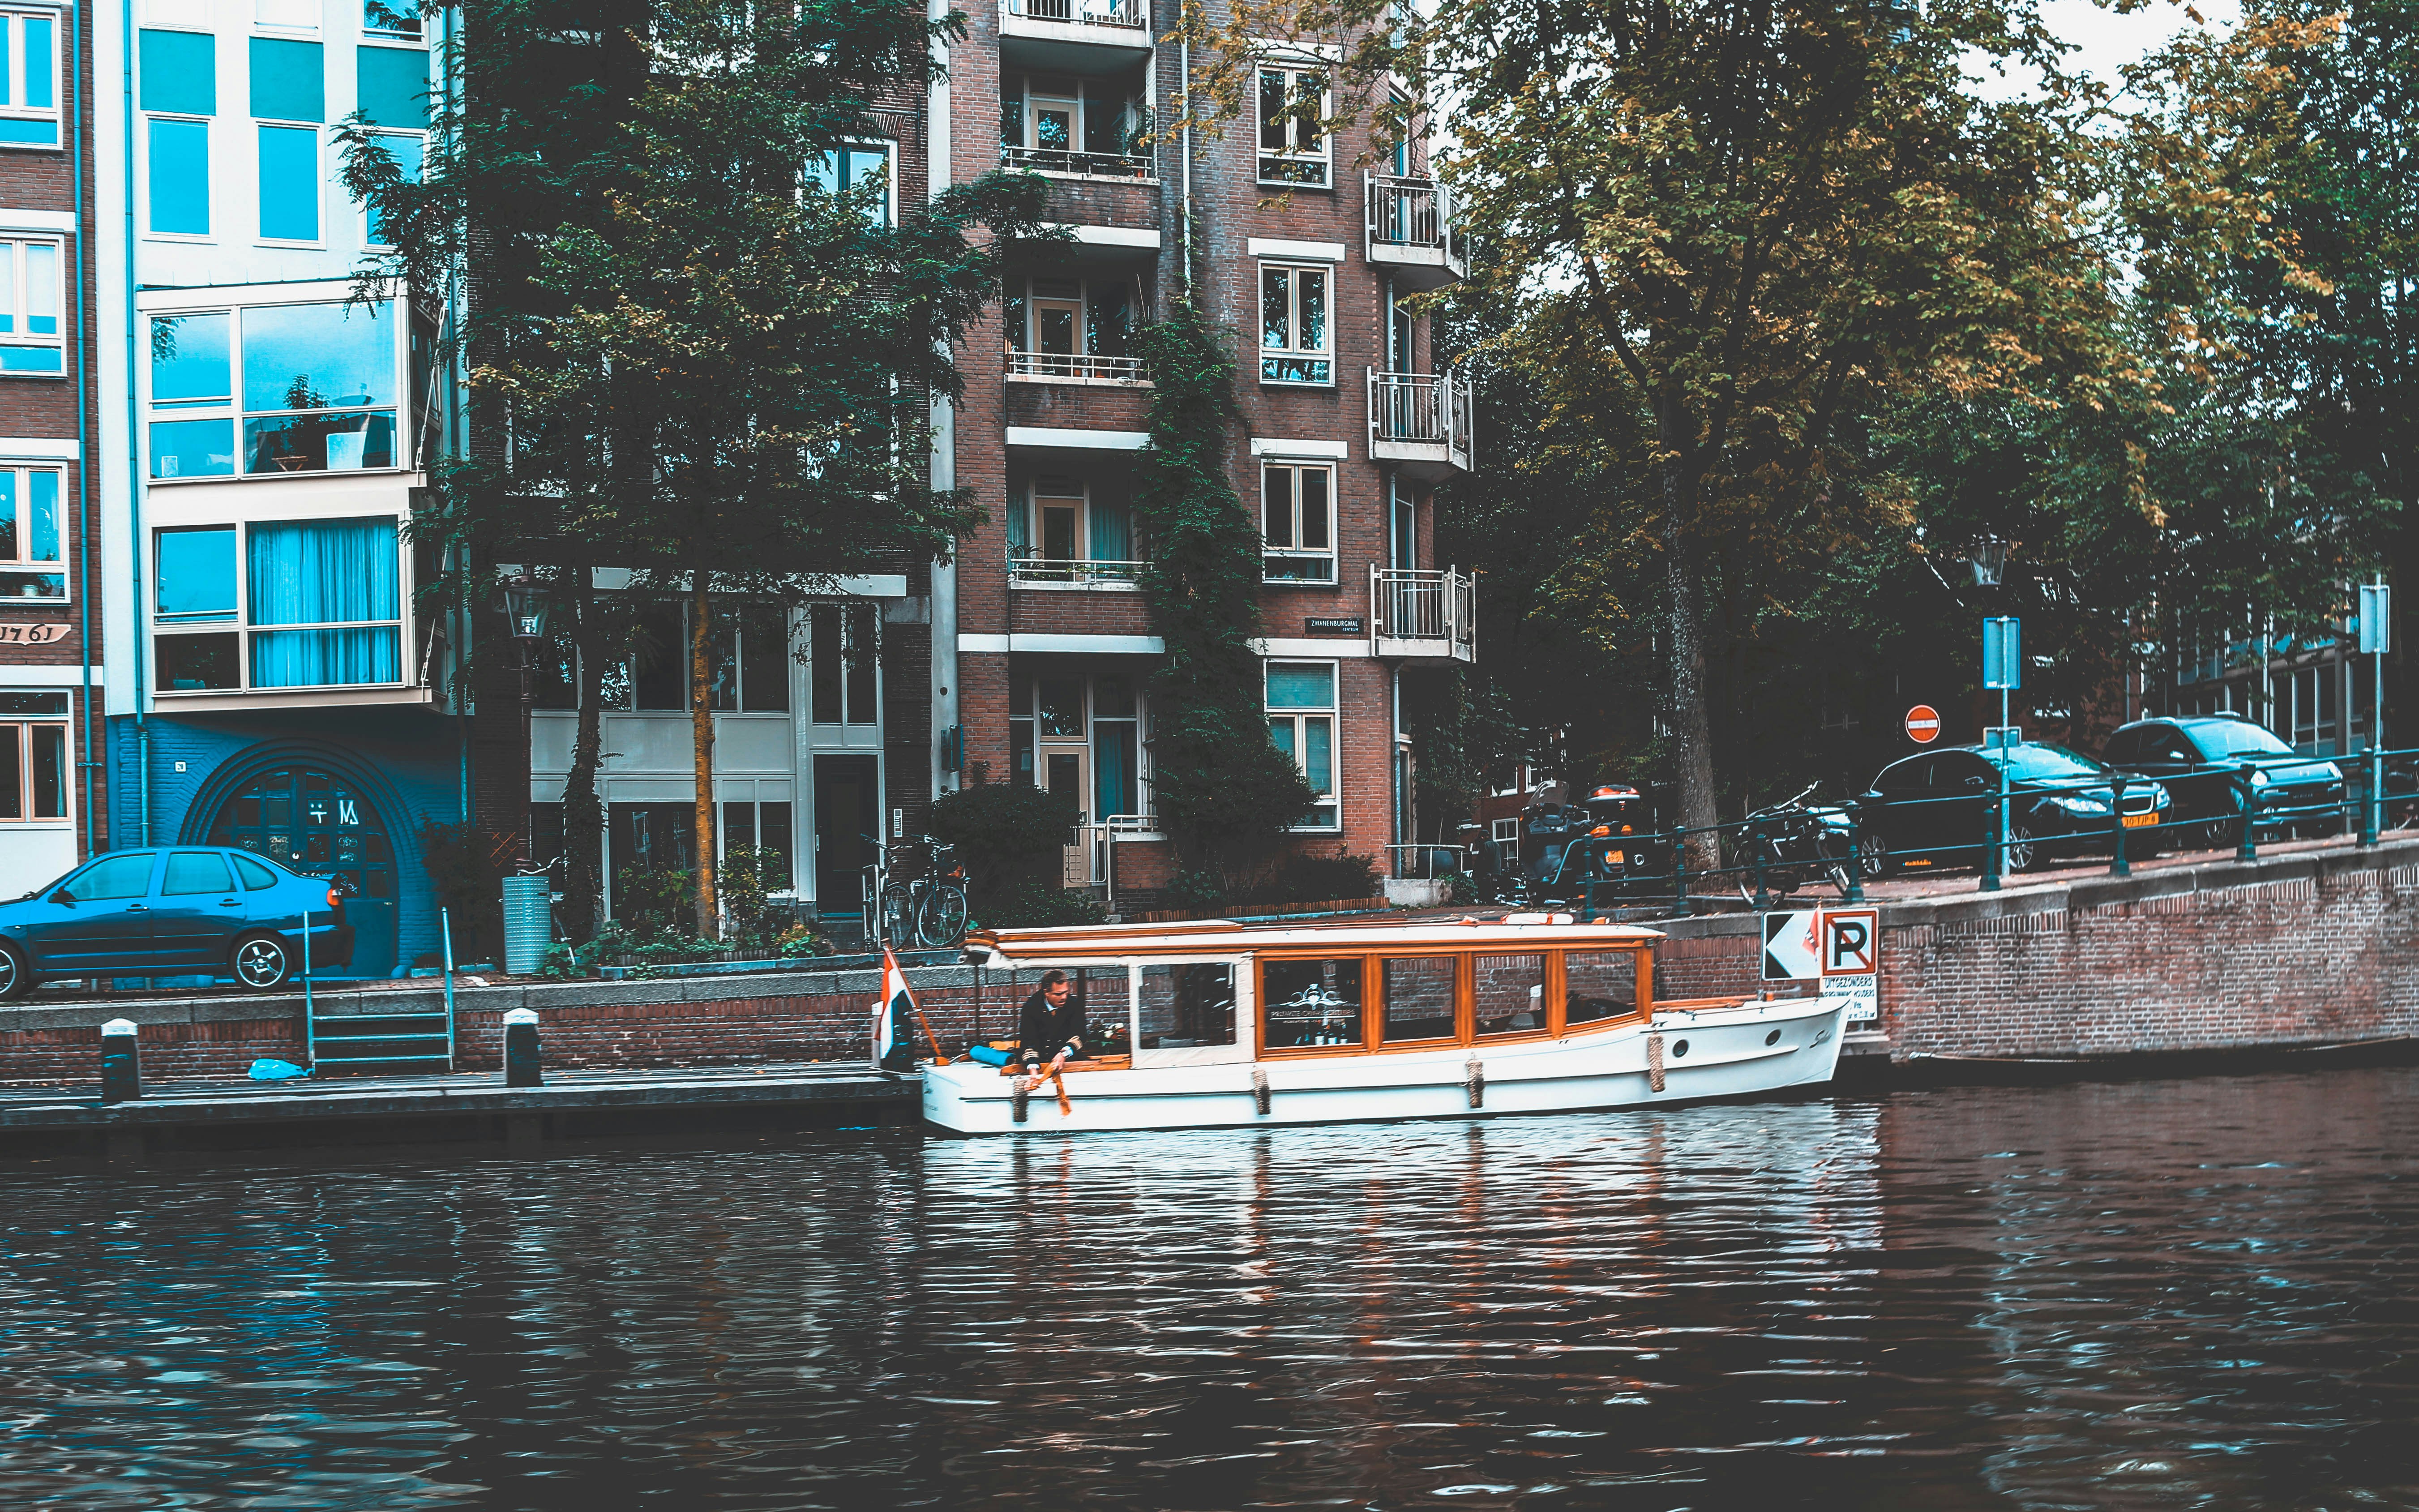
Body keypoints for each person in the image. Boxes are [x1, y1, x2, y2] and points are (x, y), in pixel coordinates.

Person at [1017, 970, 1086, 1079]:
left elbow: (1080, 1036)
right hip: (1041, 1064)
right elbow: (1029, 1042)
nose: (1064, 997)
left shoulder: (1074, 1005)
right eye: (1058, 994)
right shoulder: (1031, 1008)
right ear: (1046, 992)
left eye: (1066, 992)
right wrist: (1034, 1073)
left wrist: (1064, 1054)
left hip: (1070, 1064)